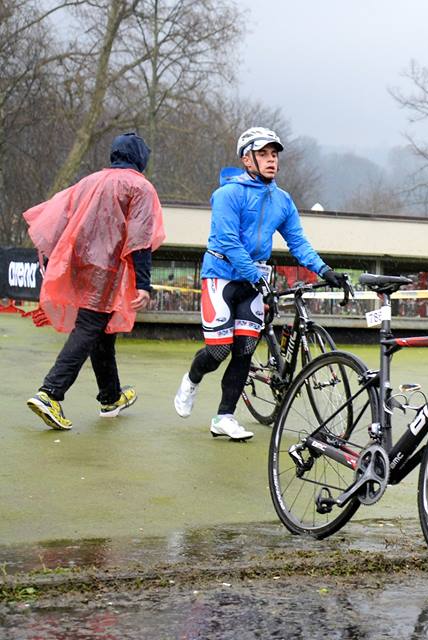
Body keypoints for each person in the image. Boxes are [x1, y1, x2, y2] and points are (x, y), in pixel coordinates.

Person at [173, 127, 349, 442]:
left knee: (245, 349)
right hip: (221, 276)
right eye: (264, 154)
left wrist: (325, 269)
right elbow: (227, 241)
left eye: (274, 155)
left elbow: (298, 242)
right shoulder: (228, 194)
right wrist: (257, 277)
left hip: (255, 281)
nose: (271, 161)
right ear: (247, 159)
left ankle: (224, 417)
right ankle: (191, 378)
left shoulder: (282, 200)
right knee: (218, 351)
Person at [24, 133, 165, 430]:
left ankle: (111, 396)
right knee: (90, 327)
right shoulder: (140, 186)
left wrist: (53, 263)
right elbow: (140, 238)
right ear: (141, 158)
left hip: (78, 264)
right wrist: (143, 282)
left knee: (101, 330)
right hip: (105, 271)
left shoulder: (89, 181)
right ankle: (50, 393)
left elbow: (57, 218)